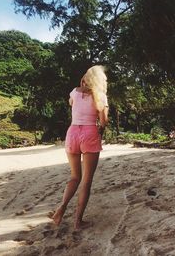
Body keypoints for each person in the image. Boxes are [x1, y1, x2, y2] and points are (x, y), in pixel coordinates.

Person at [51, 65, 109, 230]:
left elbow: (72, 104)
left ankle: (61, 207)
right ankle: (77, 222)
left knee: (75, 176)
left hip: (72, 133)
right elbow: (103, 121)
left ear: (85, 78)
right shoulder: (101, 96)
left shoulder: (74, 92)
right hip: (89, 133)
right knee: (86, 181)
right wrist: (101, 127)